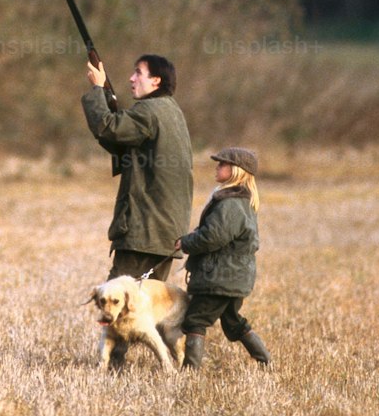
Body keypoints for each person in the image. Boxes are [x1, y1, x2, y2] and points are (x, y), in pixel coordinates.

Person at [82, 52, 193, 368]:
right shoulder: (170, 111)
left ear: (156, 80)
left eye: (138, 73)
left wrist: (97, 90)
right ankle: (186, 361)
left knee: (116, 299)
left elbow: (110, 129)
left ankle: (113, 366)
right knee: (145, 307)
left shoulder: (149, 110)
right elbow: (122, 140)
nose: (131, 78)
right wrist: (108, 99)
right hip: (165, 230)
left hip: (144, 229)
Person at [175, 146, 270, 371]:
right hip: (233, 278)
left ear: (236, 171)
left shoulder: (230, 203)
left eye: (222, 164)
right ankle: (266, 362)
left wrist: (185, 242)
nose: (217, 167)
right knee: (233, 323)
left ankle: (190, 371)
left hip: (218, 278)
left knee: (195, 321)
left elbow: (212, 237)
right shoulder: (241, 202)